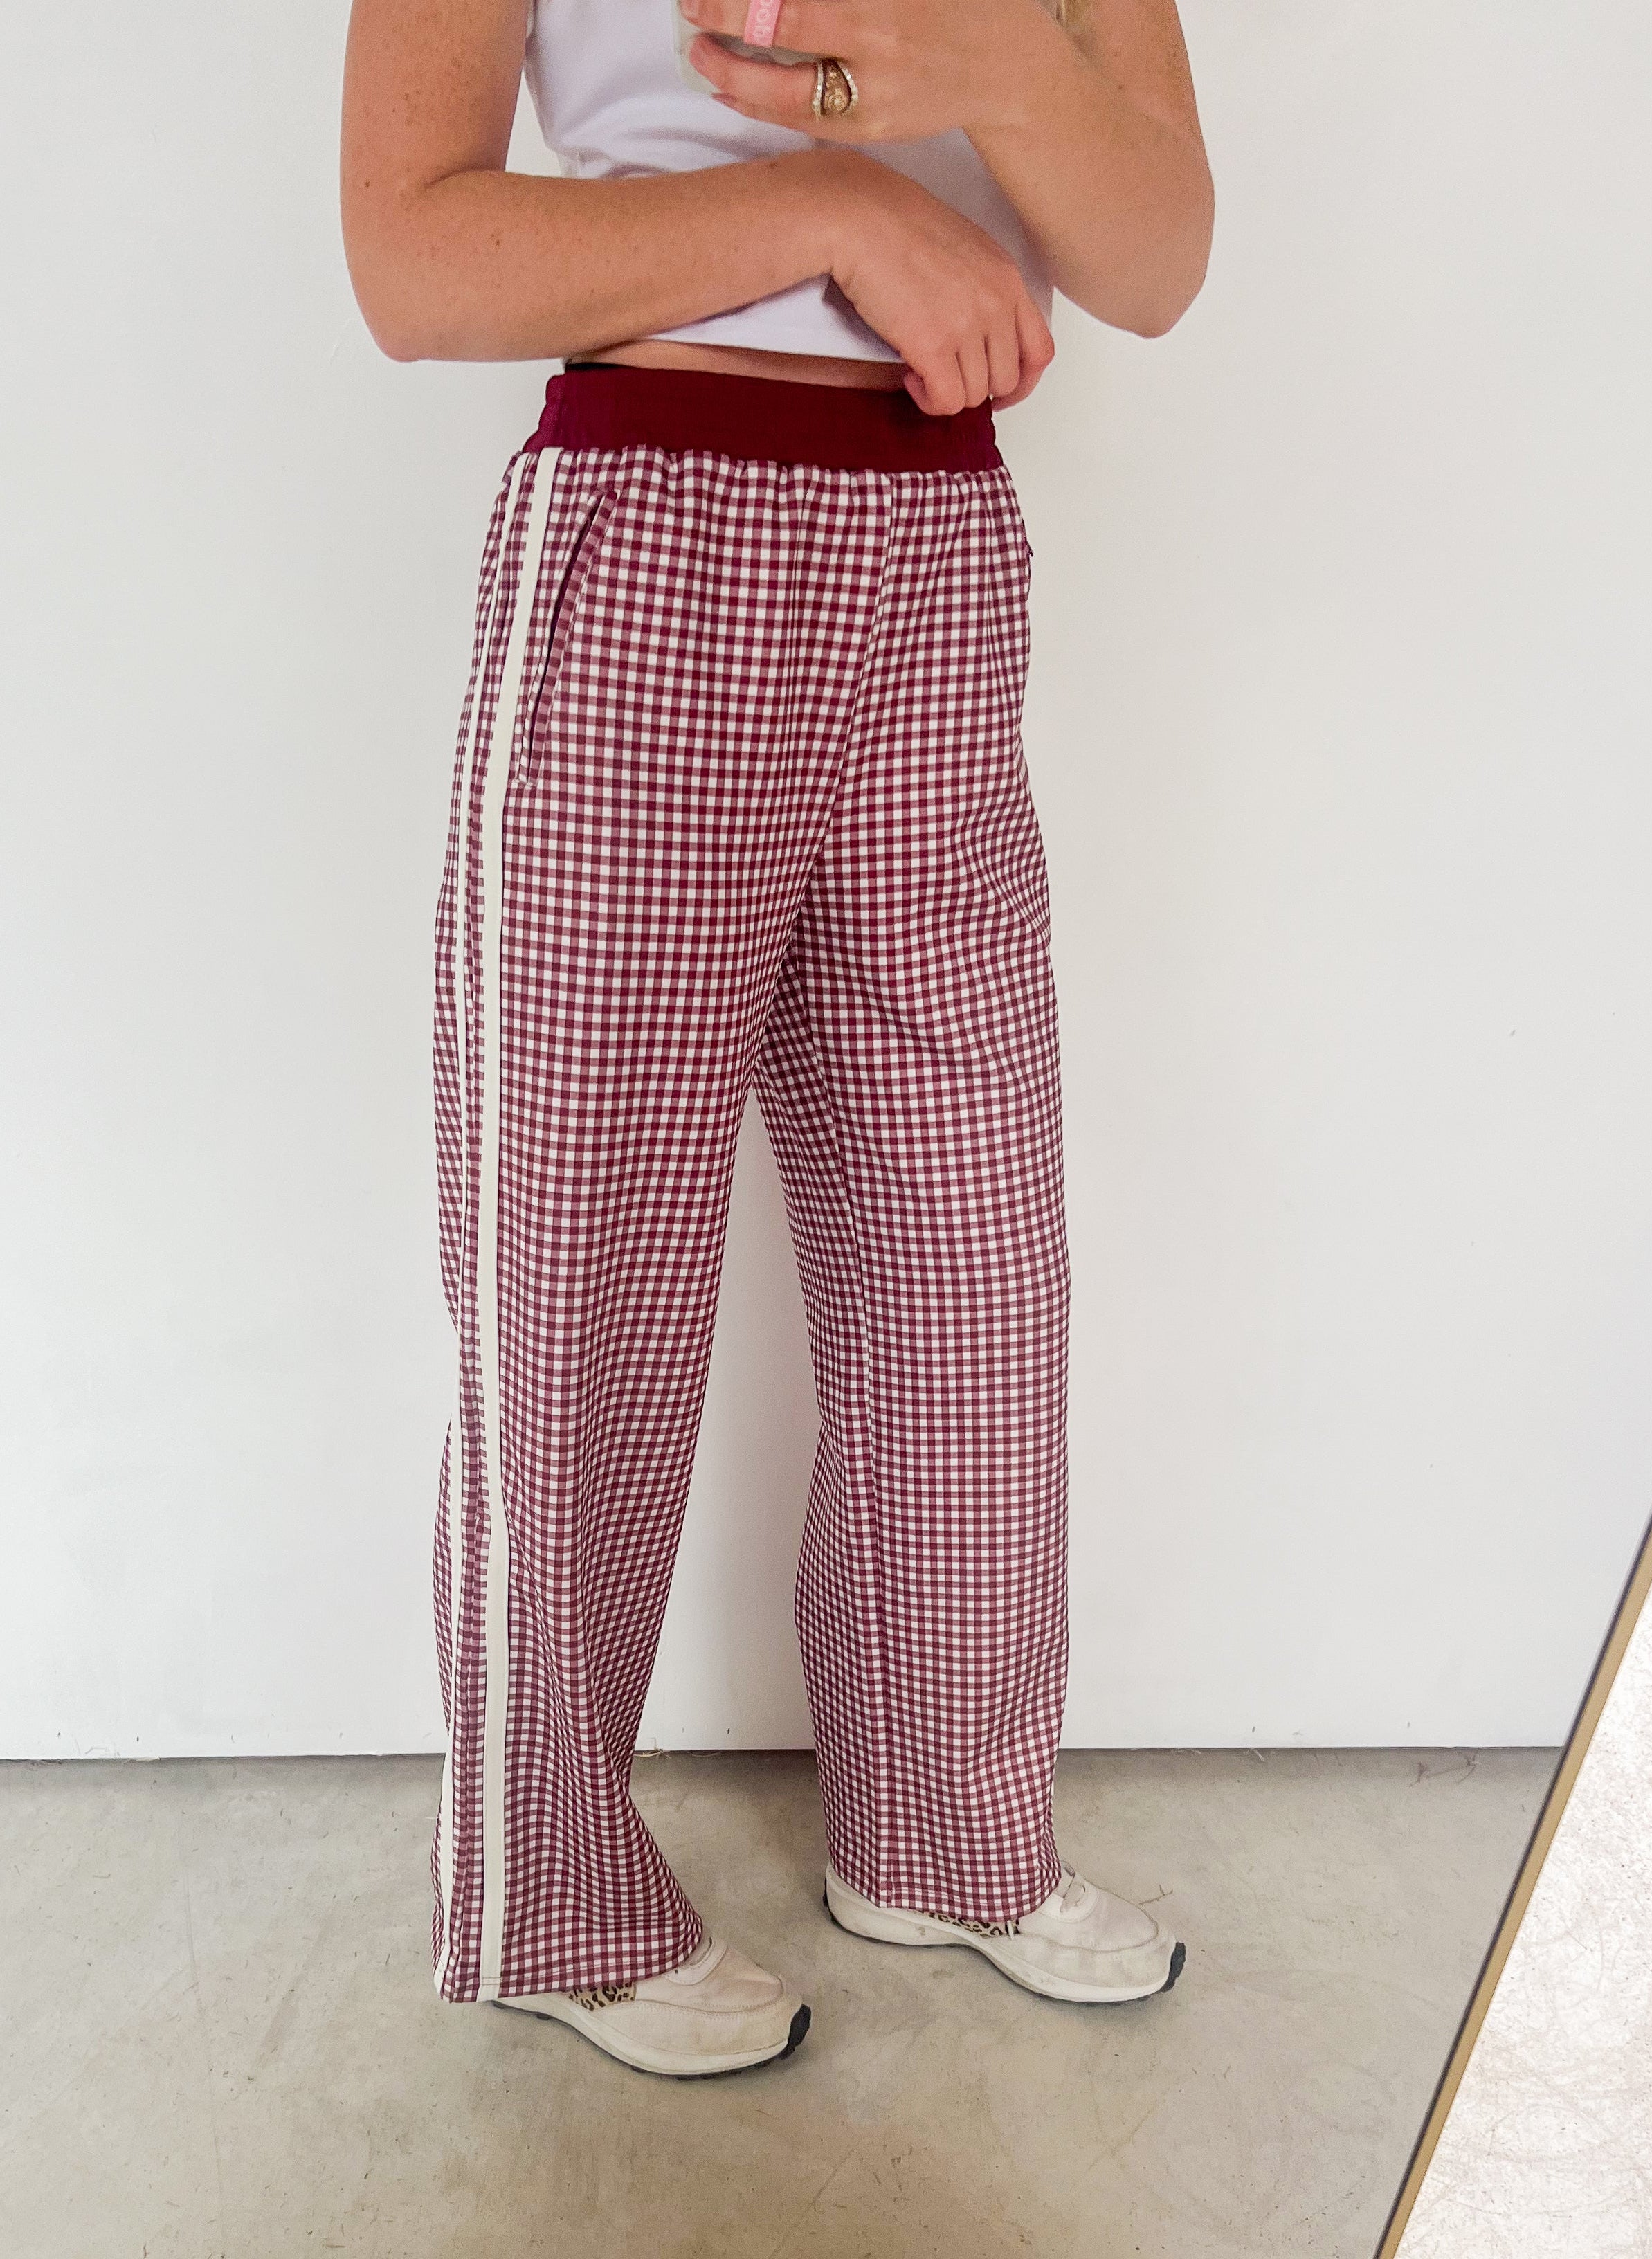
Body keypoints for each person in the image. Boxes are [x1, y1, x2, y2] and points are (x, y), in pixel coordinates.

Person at [340, 0, 1212, 2079]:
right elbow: (410, 256)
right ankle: (547, 1895)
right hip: (650, 526)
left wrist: (988, 65)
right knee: (579, 1271)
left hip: (941, 544)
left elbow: (1159, 253)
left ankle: (945, 1825)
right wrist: (829, 200)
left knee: (966, 1260)